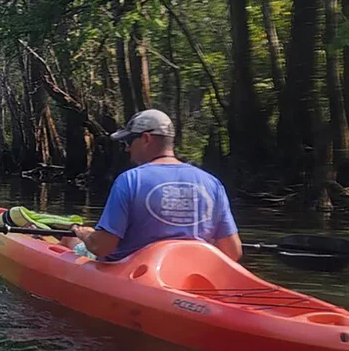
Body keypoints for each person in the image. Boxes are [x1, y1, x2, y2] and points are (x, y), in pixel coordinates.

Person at [61, 109, 243, 262]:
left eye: (129, 141)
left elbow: (102, 247)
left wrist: (85, 234)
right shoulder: (211, 182)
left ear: (146, 138)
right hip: (189, 275)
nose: (127, 148)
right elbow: (233, 252)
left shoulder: (130, 180)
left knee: (67, 242)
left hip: (132, 274)